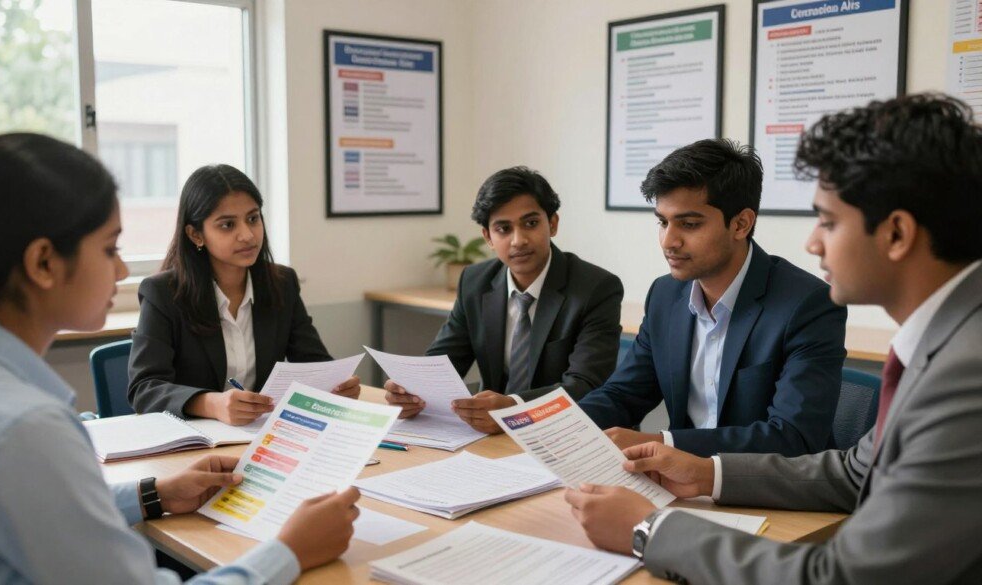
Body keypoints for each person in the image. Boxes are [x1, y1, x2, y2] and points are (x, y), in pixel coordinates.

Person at [566, 94, 982, 584]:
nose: (812, 243)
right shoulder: (945, 341)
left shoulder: (966, 374)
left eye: (828, 222)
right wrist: (706, 473)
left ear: (896, 234)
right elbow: (853, 472)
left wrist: (649, 529)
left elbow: (842, 577)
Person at [0, 133, 360, 583]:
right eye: (110, 248)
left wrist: (152, 494)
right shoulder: (25, 431)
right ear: (44, 263)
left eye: (253, 219)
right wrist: (289, 551)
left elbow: (44, 508)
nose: (123, 271)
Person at [577, 139, 847, 457]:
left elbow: (793, 437)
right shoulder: (665, 295)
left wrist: (664, 444)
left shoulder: (807, 305)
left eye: (689, 224)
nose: (669, 241)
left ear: (741, 224)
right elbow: (623, 394)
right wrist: (557, 428)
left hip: (768, 493)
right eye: (662, 222)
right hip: (682, 485)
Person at [384, 166, 624, 434]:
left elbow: (585, 385)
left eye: (531, 223)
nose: (518, 240)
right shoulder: (475, 282)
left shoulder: (596, 288)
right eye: (503, 229)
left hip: (569, 432)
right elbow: (443, 364)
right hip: (494, 436)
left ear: (552, 224)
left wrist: (513, 408)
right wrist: (411, 392)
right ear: (488, 236)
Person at [128, 164, 359, 425]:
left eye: (253, 218)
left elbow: (313, 364)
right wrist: (212, 403)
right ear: (196, 235)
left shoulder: (282, 283)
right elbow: (144, 389)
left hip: (262, 434)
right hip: (194, 441)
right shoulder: (163, 294)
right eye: (227, 225)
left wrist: (336, 386)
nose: (248, 235)